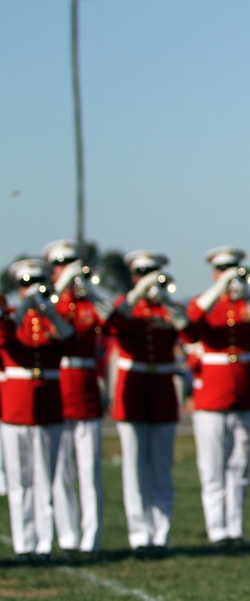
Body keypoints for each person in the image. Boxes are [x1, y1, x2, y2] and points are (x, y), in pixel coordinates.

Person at [186, 246, 250, 546]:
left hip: (245, 393)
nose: (229, 275)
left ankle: (234, 527)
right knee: (213, 467)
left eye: (232, 269)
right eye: (223, 270)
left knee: (239, 467)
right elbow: (189, 327)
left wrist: (246, 296)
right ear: (214, 273)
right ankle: (217, 528)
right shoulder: (205, 303)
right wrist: (219, 288)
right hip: (213, 395)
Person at [107, 250, 189, 554]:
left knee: (161, 466)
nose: (149, 278)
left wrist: (165, 300)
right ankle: (140, 534)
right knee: (134, 467)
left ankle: (161, 531)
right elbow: (112, 324)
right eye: (143, 273)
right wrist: (137, 294)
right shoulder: (127, 308)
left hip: (163, 391)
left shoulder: (169, 308)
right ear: (133, 277)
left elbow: (190, 332)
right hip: (135, 390)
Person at [0, 259, 73, 562]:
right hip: (16, 406)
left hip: (48, 406)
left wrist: (48, 311)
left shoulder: (53, 317)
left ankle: (44, 544)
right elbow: (6, 340)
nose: (34, 288)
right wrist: (24, 308)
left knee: (46, 479)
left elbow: (71, 340)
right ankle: (24, 544)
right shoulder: (11, 318)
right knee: (20, 481)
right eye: (28, 283)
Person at [44, 239, 111, 555]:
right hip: (57, 388)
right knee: (60, 472)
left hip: (84, 391)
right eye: (62, 264)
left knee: (89, 470)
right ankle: (68, 536)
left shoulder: (88, 304)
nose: (68, 269)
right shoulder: (50, 301)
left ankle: (90, 537)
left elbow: (112, 318)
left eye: (71, 263)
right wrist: (60, 287)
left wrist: (90, 291)